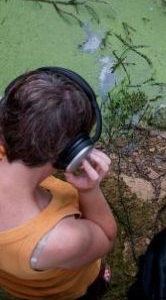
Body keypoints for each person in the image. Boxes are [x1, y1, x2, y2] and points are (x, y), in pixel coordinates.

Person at [0, 68, 118, 300]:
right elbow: (105, 237)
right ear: (72, 153)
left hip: (16, 281)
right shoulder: (58, 240)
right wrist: (89, 189)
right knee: (90, 283)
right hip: (64, 290)